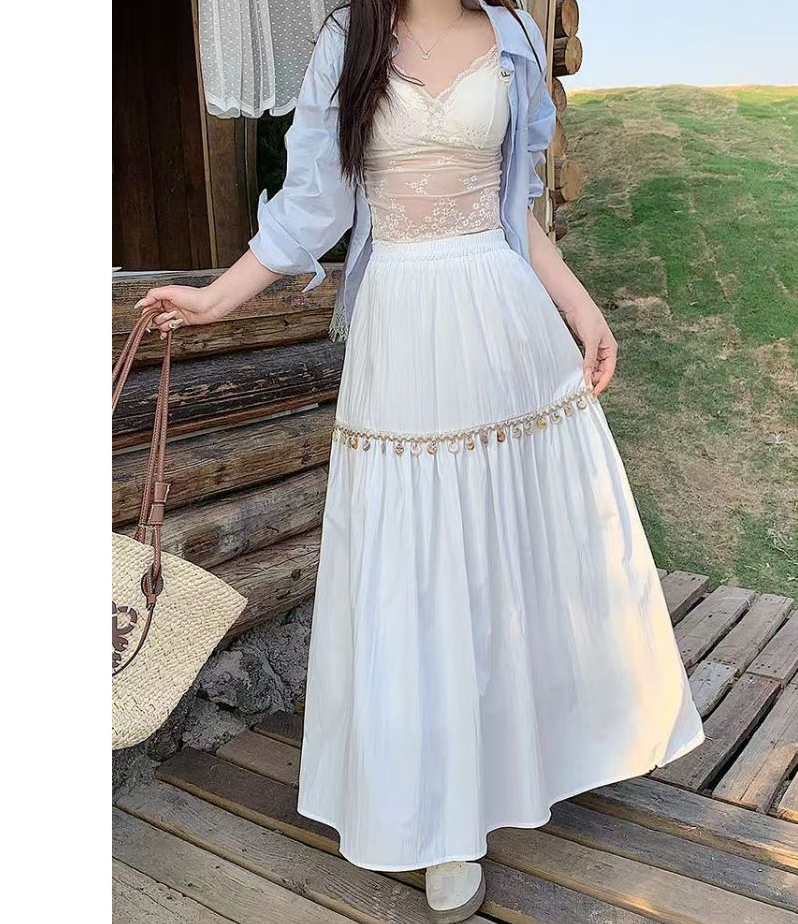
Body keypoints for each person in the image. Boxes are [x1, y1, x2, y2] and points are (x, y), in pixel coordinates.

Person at [138, 1, 704, 920]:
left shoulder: (514, 37)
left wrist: (583, 310)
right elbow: (312, 205)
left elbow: (517, 208)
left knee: (513, 547)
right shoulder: (347, 40)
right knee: (419, 564)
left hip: (506, 326)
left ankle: (547, 747)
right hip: (401, 326)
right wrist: (214, 300)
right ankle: (441, 820)